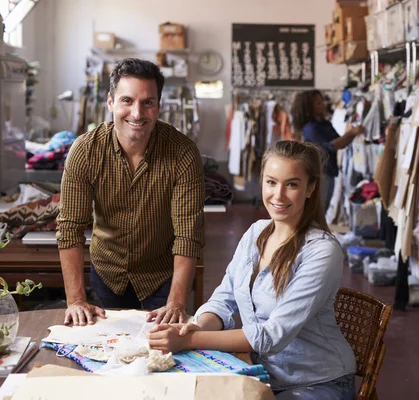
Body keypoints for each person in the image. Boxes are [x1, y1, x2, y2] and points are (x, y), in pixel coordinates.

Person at [148, 141, 356, 400]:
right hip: (260, 372)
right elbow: (224, 299)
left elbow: (272, 336)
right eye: (271, 182)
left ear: (310, 188)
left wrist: (190, 341)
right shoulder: (256, 232)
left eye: (291, 184)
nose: (278, 195)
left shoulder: (322, 251)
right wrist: (197, 327)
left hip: (317, 382)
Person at [56, 58, 205, 327]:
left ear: (158, 105)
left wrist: (177, 302)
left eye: (148, 102)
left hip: (161, 275)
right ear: (110, 102)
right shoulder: (85, 151)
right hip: (107, 272)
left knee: (162, 354)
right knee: (106, 347)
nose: (137, 113)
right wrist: (76, 300)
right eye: (127, 100)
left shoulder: (182, 153)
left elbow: (188, 234)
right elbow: (70, 228)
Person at [290, 90, 363, 207]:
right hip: (320, 174)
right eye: (318, 103)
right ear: (309, 108)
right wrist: (352, 133)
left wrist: (351, 128)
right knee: (319, 209)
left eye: (322, 101)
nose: (324, 104)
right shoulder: (311, 128)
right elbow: (332, 146)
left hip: (328, 172)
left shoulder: (325, 124)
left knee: (323, 208)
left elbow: (341, 142)